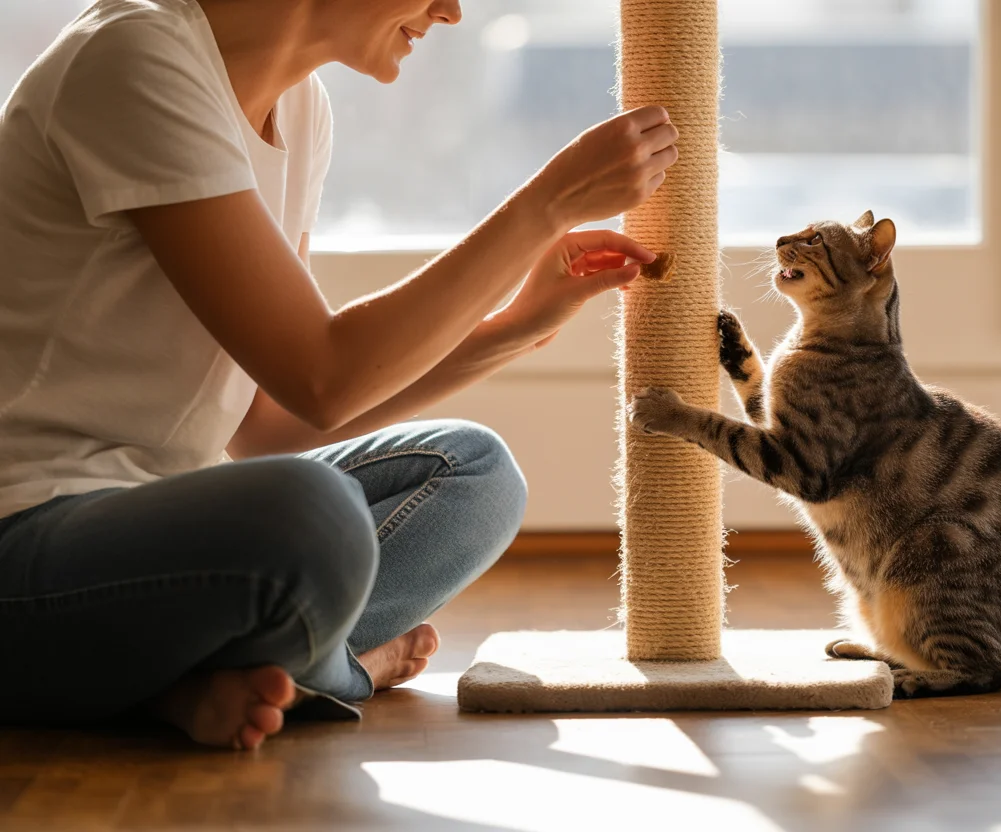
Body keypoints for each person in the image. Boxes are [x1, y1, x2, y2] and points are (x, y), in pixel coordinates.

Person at [0, 0, 678, 749]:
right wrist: (547, 206)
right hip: (25, 536)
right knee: (306, 516)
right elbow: (322, 375)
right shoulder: (134, 56)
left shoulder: (300, 108)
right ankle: (327, 667)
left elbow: (268, 424)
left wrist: (515, 331)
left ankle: (190, 674)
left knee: (475, 471)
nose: (452, 12)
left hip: (165, 532)